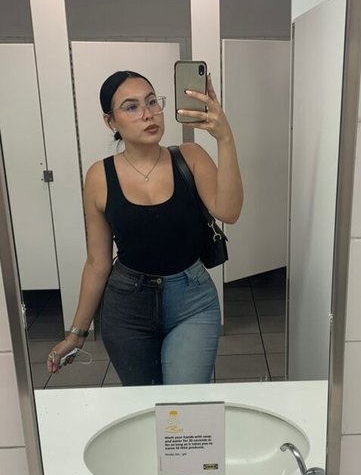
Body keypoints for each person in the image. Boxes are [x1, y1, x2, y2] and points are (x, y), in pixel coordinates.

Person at [46, 69, 243, 385]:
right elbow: (97, 263)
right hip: (127, 308)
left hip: (192, 302)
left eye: (152, 101)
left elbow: (229, 212)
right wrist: (76, 333)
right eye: (131, 107)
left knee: (185, 403)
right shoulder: (99, 176)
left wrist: (225, 137)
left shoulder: (190, 157)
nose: (148, 114)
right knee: (146, 401)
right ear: (111, 121)